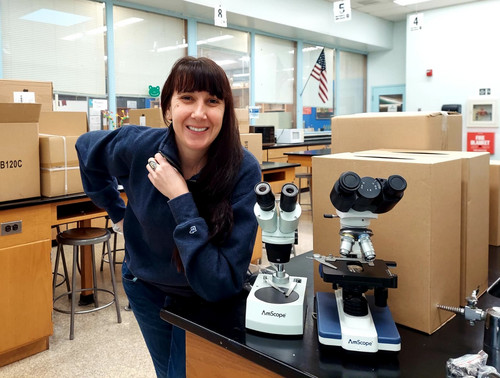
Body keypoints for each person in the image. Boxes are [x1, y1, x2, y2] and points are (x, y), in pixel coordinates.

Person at [75, 56, 262, 377]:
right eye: (187, 98)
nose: (199, 112)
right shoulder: (139, 146)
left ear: (225, 112)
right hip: (145, 286)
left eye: (212, 101)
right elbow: (85, 147)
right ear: (167, 109)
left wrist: (180, 198)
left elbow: (220, 283)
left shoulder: (244, 170)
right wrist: (116, 211)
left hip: (205, 299)